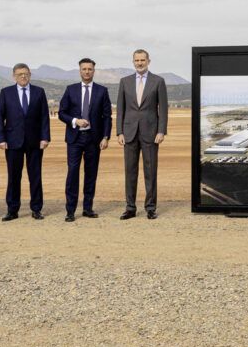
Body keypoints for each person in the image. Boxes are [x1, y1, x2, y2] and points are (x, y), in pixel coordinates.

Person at [57, 58, 112, 222]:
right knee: (72, 173)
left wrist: (105, 137)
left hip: (93, 139)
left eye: (90, 69)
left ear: (94, 71)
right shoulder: (70, 89)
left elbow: (107, 116)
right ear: (79, 71)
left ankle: (88, 208)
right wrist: (75, 121)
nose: (87, 72)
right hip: (74, 138)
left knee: (91, 174)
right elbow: (61, 112)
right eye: (84, 69)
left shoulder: (102, 91)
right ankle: (70, 210)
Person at [117, 49, 168, 220]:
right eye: (137, 60)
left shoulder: (158, 81)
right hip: (129, 133)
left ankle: (151, 208)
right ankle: (130, 208)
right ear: (133, 62)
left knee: (150, 171)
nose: (139, 63)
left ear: (148, 61)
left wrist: (161, 131)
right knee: (130, 172)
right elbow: (121, 109)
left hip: (151, 133)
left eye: (142, 60)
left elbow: (164, 109)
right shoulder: (124, 82)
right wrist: (119, 132)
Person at [0, 63, 51, 221]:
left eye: (26, 73)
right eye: (20, 74)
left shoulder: (39, 92)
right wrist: (1, 139)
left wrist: (45, 137)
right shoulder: (6, 92)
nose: (23, 76)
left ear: (30, 75)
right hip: (13, 142)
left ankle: (36, 209)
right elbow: (0, 116)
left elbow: (44, 117)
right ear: (14, 76)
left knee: (35, 176)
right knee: (13, 177)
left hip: (35, 142)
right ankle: (12, 210)